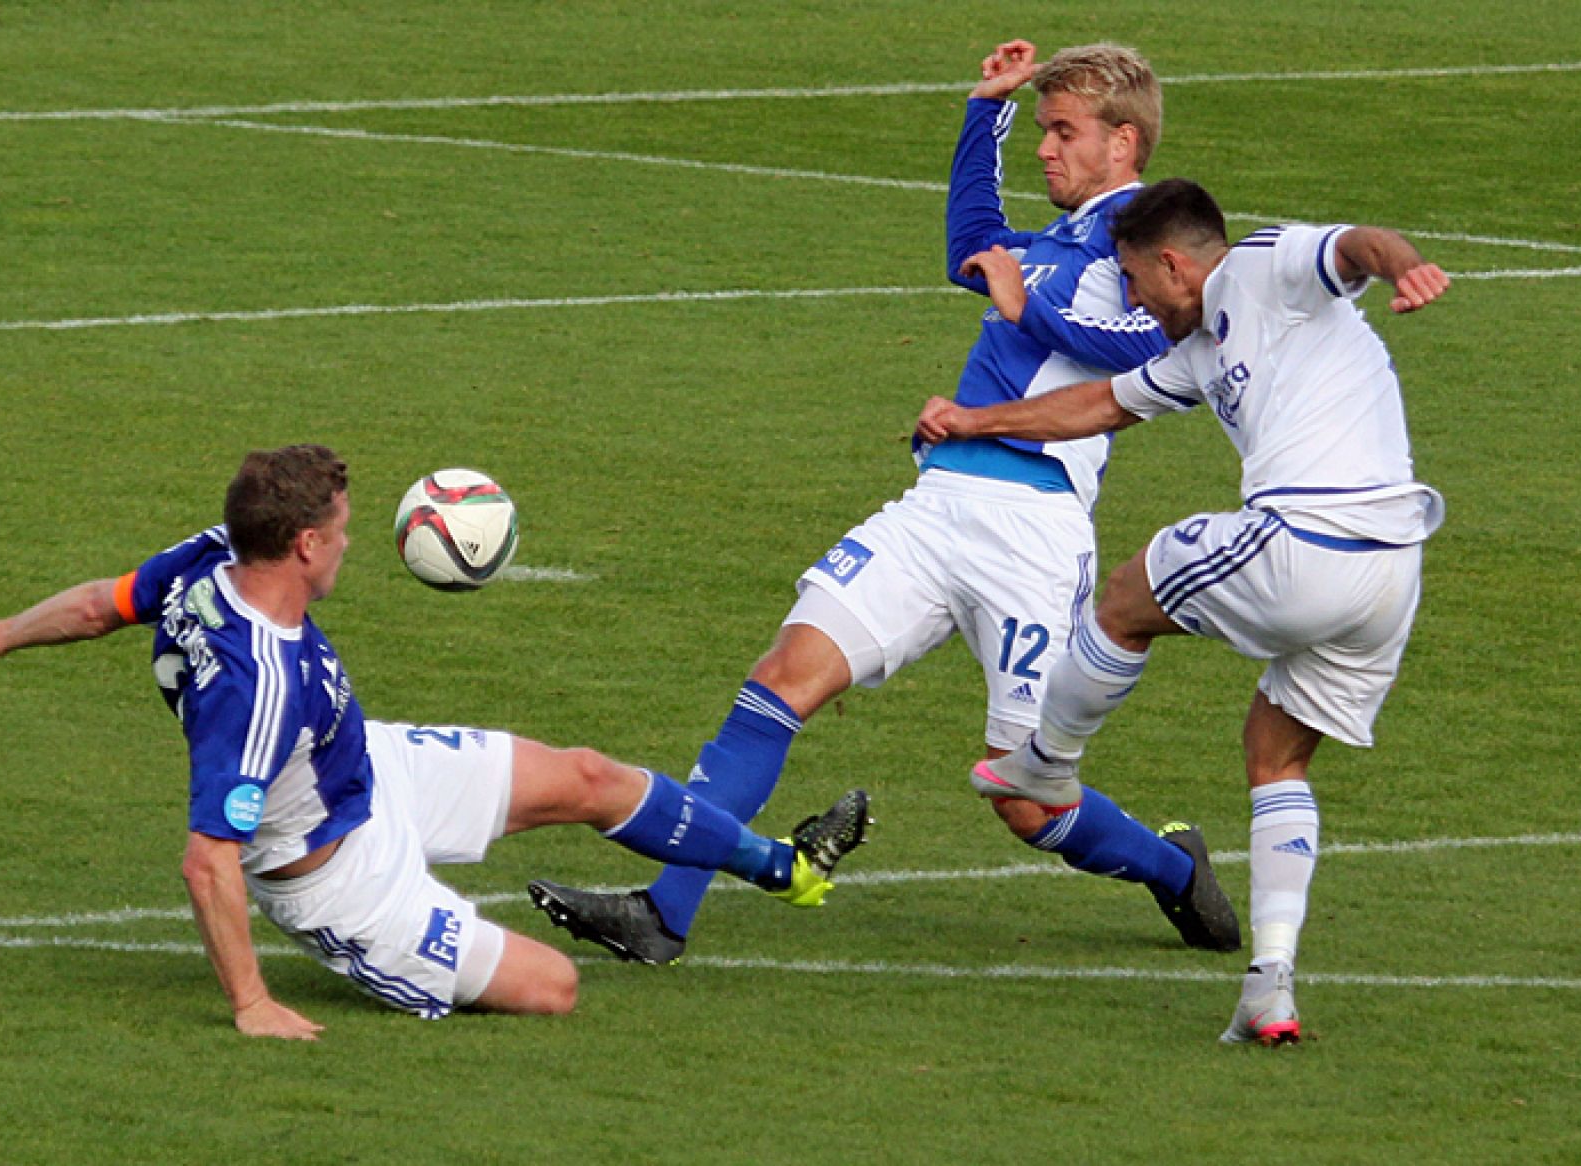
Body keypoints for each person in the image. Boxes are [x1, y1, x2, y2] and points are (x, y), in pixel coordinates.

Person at [529, 40, 1238, 965]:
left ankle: (1172, 869)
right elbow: (969, 252)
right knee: (781, 678)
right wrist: (987, 112)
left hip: (1032, 533)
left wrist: (1029, 312)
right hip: (935, 507)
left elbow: (1141, 352)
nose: (1047, 150)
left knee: (1026, 797)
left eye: (1064, 132)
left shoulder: (1145, 253)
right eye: (1046, 129)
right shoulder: (1055, 244)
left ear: (1125, 142)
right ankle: (664, 915)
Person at [0, 445, 870, 1039]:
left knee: (586, 775)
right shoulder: (258, 683)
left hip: (366, 760)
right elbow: (208, 859)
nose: (355, 541)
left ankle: (784, 867)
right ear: (306, 547)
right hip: (340, 877)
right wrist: (249, 1001)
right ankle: (370, 961)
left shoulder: (213, 553)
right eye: (345, 529)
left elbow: (102, 603)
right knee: (555, 987)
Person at [919, 178, 1450, 1044]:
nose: (1128, 299)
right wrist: (978, 421)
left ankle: (1046, 765)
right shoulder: (1197, 349)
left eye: (1131, 279)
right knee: (1275, 758)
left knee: (1127, 595)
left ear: (1171, 262)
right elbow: (1099, 404)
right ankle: (1270, 987)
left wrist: (1409, 268)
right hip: (1388, 577)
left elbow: (1360, 240)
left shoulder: (1265, 265)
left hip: (1309, 541)